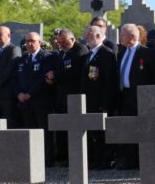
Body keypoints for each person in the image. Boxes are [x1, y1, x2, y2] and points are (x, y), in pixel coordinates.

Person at [117, 23, 155, 169]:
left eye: (122, 34)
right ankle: (130, 160)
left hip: (142, 96)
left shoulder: (147, 53)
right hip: (125, 95)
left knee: (143, 128)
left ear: (132, 37)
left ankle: (145, 159)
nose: (120, 37)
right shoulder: (122, 52)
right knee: (128, 127)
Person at [46, 29, 89, 165]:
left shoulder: (80, 50)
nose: (61, 45)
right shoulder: (62, 53)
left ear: (72, 39)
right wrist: (51, 78)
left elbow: (73, 71)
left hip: (74, 96)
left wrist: (55, 76)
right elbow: (59, 69)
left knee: (74, 130)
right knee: (62, 129)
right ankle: (64, 156)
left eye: (64, 42)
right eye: (59, 42)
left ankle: (75, 157)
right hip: (61, 96)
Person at [12, 32, 55, 166]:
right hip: (25, 102)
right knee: (30, 131)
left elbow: (43, 78)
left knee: (44, 132)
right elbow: (15, 79)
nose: (29, 44)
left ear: (39, 42)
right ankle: (34, 159)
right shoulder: (21, 59)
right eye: (27, 41)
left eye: (32, 41)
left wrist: (30, 93)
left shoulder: (47, 57)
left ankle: (47, 160)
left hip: (41, 100)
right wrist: (19, 93)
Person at [80, 26, 118, 169]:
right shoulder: (89, 55)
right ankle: (96, 160)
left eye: (89, 36)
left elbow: (109, 81)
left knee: (102, 133)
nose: (86, 38)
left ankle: (105, 160)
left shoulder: (106, 54)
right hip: (89, 101)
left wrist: (105, 104)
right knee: (93, 133)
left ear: (98, 36)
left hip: (100, 101)